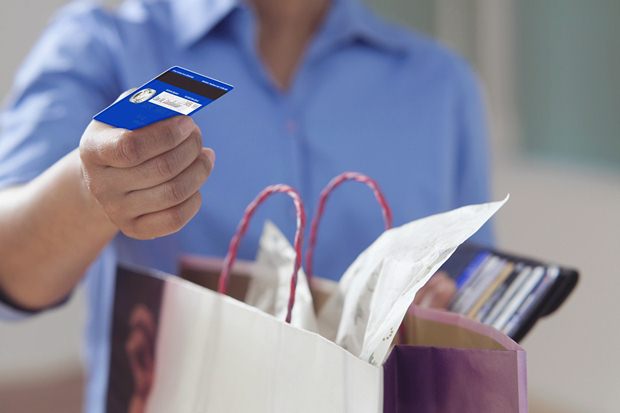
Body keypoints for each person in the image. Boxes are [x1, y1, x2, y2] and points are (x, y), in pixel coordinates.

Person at [0, 0, 492, 411]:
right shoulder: (107, 43)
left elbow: (473, 300)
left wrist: (446, 312)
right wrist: (91, 192)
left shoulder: (441, 86)